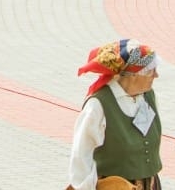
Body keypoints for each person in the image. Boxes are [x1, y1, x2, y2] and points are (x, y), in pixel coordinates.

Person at [68, 39, 163, 190]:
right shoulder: (98, 105)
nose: (156, 75)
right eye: (151, 71)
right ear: (133, 74)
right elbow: (81, 156)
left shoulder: (147, 97)